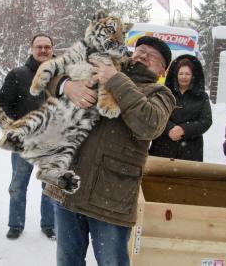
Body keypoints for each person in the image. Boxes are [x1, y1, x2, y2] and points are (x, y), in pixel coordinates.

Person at [44, 36, 176, 266]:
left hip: (111, 200)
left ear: (162, 69)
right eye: (141, 50)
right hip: (69, 188)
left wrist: (116, 80)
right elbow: (48, 73)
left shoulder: (160, 94)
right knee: (67, 261)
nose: (143, 55)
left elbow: (149, 125)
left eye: (152, 56)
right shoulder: (102, 67)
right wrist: (66, 85)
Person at [0, 34, 56, 240]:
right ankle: (15, 224)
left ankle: (49, 224)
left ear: (52, 49)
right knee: (18, 184)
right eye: (39, 46)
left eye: (47, 47)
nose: (43, 50)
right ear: (31, 49)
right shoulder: (17, 75)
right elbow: (2, 105)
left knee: (50, 185)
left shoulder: (62, 77)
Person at [149, 54, 212, 162]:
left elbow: (206, 121)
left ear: (192, 76)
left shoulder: (202, 97)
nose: (184, 77)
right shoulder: (164, 93)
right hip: (162, 147)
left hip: (190, 151)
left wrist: (183, 129)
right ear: (176, 75)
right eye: (181, 73)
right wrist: (170, 129)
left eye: (187, 74)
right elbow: (156, 114)